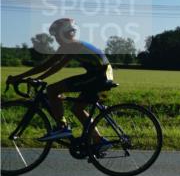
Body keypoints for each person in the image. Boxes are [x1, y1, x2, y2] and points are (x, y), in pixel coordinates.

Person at [7, 18, 115, 148]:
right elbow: (56, 66)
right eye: (55, 36)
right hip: (100, 76)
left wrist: (18, 77)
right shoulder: (73, 45)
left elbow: (48, 65)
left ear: (67, 33)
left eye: (57, 35)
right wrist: (39, 78)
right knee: (77, 109)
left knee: (52, 90)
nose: (56, 39)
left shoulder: (71, 45)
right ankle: (99, 141)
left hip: (98, 76)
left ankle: (62, 127)